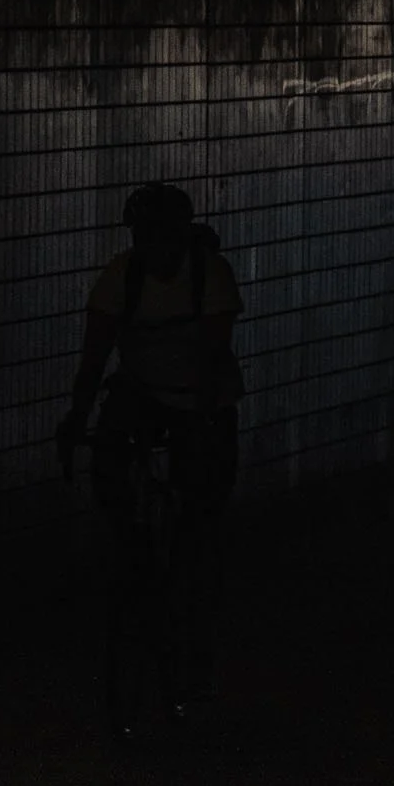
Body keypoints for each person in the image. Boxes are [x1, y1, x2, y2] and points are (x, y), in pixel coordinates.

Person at [57, 183, 245, 538]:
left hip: (202, 397)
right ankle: (130, 537)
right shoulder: (122, 275)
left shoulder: (209, 272)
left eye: (163, 233)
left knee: (204, 489)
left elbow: (213, 356)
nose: (155, 245)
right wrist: (79, 416)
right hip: (144, 390)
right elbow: (94, 357)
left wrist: (200, 420)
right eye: (146, 234)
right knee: (110, 467)